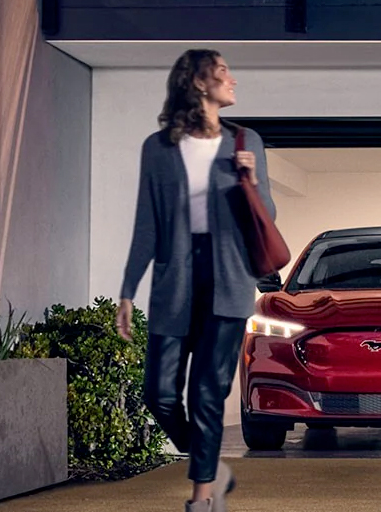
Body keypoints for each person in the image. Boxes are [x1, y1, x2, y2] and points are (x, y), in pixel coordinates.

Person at [115, 49, 274, 512]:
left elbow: (268, 219)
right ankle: (209, 466)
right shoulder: (158, 147)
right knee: (160, 394)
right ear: (199, 83)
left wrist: (251, 181)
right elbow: (146, 223)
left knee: (207, 392)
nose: (233, 79)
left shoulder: (246, 141)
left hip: (228, 279)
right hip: (175, 280)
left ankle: (203, 499)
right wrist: (128, 288)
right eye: (223, 71)